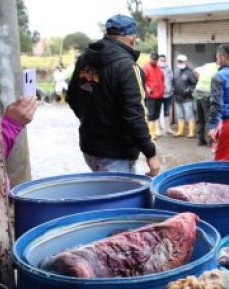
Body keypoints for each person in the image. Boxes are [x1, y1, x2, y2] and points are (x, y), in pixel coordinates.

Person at [67, 14, 161, 176]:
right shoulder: (128, 67)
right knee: (120, 200)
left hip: (90, 149)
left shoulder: (84, 59)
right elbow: (135, 115)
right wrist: (150, 153)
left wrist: (92, 121)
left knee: (103, 195)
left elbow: (72, 97)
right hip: (116, 154)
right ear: (132, 38)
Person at [193, 61, 219, 146]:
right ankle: (210, 142)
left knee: (200, 118)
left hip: (198, 92)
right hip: (207, 94)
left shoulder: (208, 65)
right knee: (209, 119)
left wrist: (200, 78)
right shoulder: (219, 69)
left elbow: (195, 70)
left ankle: (200, 140)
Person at [172, 54, 198, 139]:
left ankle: (191, 132)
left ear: (186, 62)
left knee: (189, 115)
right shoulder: (176, 71)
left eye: (182, 61)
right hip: (178, 98)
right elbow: (173, 82)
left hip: (187, 99)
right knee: (180, 115)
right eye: (179, 61)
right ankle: (180, 131)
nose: (180, 62)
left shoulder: (190, 72)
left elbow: (194, 84)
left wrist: (189, 89)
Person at [142, 52, 165, 139]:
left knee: (157, 114)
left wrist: (163, 89)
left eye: (156, 60)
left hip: (159, 95)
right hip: (150, 96)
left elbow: (162, 80)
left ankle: (156, 131)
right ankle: (151, 133)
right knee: (151, 114)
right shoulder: (146, 67)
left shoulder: (159, 69)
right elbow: (142, 80)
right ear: (150, 58)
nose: (154, 61)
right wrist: (146, 88)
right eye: (153, 59)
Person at [158, 54, 175, 135]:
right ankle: (157, 129)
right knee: (157, 111)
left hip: (168, 94)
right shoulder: (156, 68)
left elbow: (172, 80)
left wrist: (172, 89)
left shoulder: (168, 69)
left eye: (164, 60)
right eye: (161, 60)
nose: (163, 62)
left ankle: (167, 128)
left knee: (167, 111)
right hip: (158, 94)